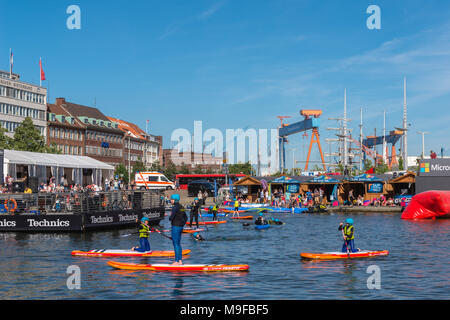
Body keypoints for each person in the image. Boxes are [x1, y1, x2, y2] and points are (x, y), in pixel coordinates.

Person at [168, 194, 188, 265]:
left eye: (171, 199)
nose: (170, 200)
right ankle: (180, 260)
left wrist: (170, 218)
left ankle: (176, 261)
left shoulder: (174, 207)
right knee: (178, 244)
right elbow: (186, 218)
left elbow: (171, 217)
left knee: (175, 244)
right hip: (180, 227)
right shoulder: (181, 207)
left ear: (174, 200)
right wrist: (182, 224)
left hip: (175, 227)